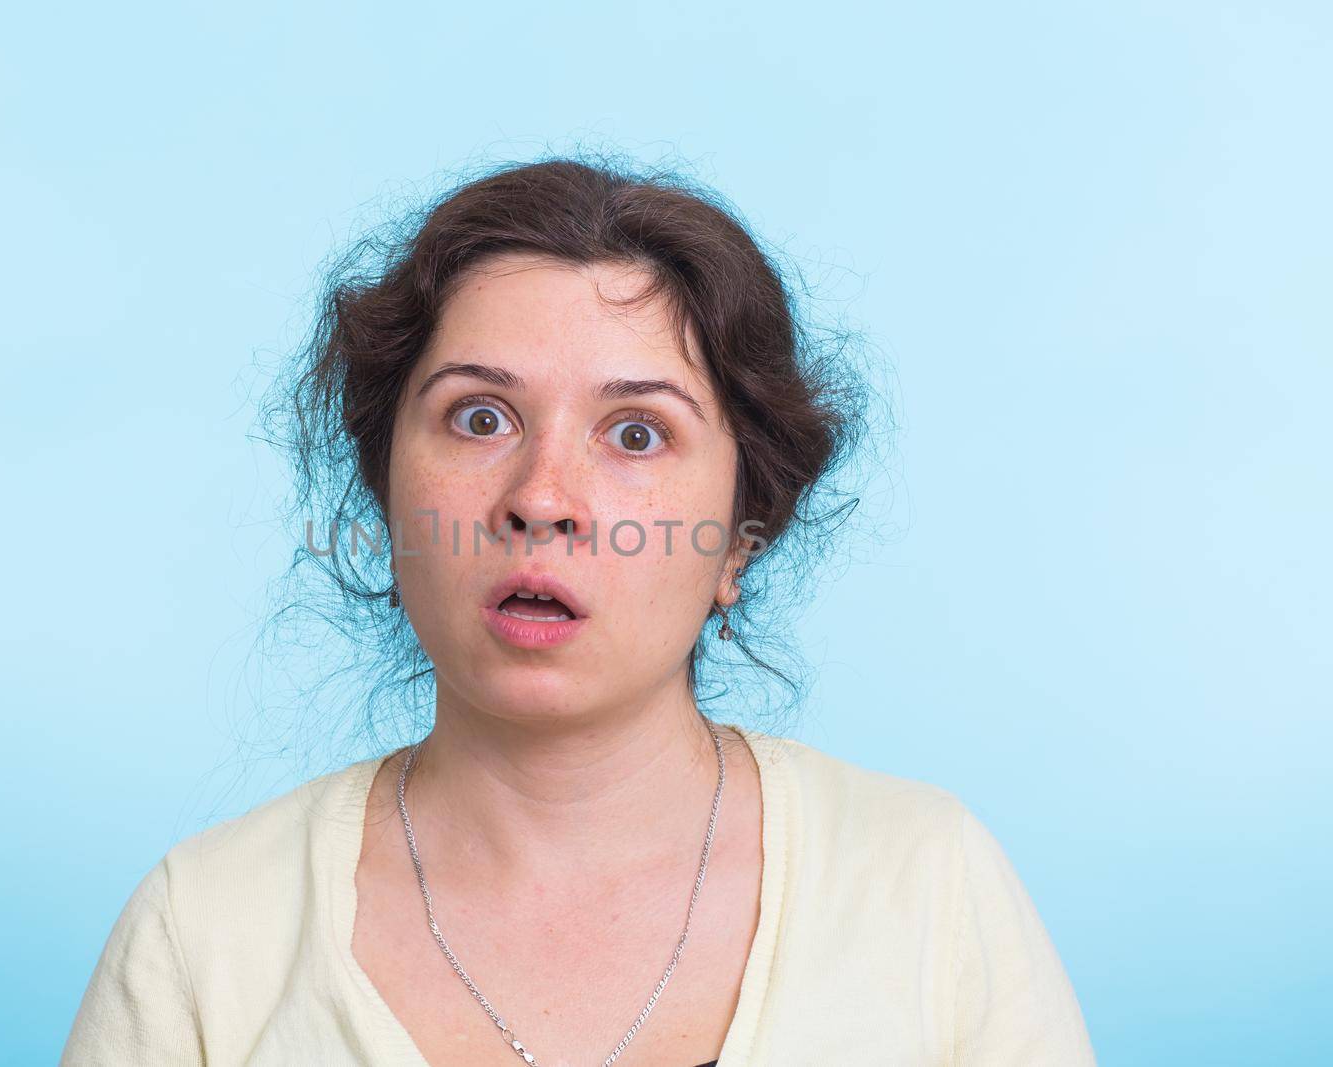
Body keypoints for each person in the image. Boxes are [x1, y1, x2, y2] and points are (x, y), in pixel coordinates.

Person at [60, 157, 1097, 1065]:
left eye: (636, 434)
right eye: (478, 417)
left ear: (741, 538)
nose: (540, 495)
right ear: (383, 495)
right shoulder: (205, 928)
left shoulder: (924, 883)